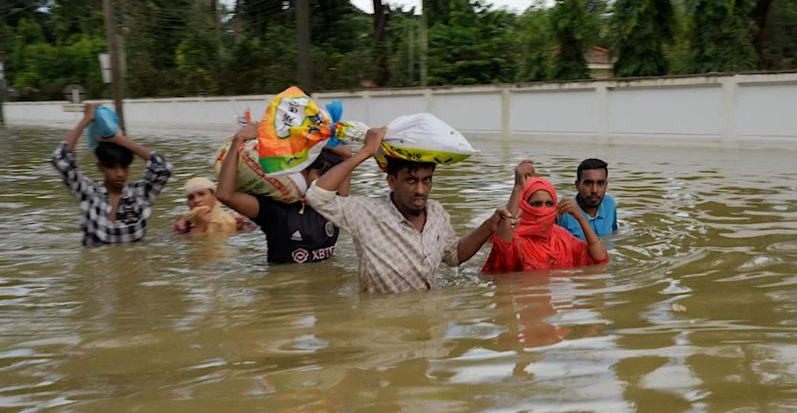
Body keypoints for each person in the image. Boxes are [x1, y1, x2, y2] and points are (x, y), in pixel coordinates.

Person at [306, 131, 512, 294]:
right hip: (381, 331)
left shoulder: (437, 214)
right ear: (392, 181)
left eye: (426, 180)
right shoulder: (365, 213)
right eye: (411, 180)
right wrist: (367, 151)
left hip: (430, 334)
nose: (420, 190)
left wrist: (489, 225)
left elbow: (454, 256)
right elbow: (317, 196)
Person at [215, 124, 358, 265]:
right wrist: (238, 140)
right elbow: (224, 195)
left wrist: (301, 136)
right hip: (283, 284)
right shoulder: (276, 211)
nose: (327, 182)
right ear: (303, 172)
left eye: (332, 177)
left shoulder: (334, 205)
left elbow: (345, 154)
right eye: (320, 174)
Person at [51, 103, 174, 246]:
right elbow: (60, 159)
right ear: (100, 167)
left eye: (124, 167)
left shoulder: (140, 195)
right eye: (112, 168)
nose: (120, 174)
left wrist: (120, 140)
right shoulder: (88, 192)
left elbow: (164, 167)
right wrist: (86, 120)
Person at [482, 160, 608, 273]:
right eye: (536, 204)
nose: (543, 210)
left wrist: (580, 217)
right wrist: (518, 188)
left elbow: (600, 259)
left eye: (549, 204)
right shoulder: (517, 240)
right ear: (525, 206)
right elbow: (504, 244)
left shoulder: (563, 238)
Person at [556, 158, 618, 241]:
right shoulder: (565, 212)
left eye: (600, 183)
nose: (594, 190)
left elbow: (614, 233)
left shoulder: (609, 204)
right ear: (577, 185)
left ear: (606, 185)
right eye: (588, 183)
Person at [172, 177, 256, 235]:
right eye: (191, 197)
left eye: (201, 194)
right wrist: (199, 227)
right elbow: (184, 245)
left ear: (215, 196)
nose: (196, 200)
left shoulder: (236, 220)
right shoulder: (182, 224)